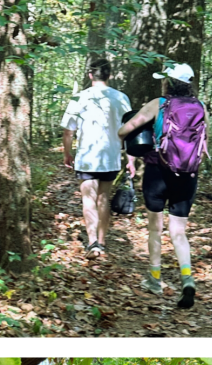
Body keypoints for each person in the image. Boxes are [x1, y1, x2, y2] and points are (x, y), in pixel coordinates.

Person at [118, 63, 207, 309]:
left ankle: (155, 279)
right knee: (179, 232)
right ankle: (187, 278)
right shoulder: (200, 107)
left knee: (155, 230)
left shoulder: (159, 104)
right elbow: (204, 140)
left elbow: (125, 130)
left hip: (157, 173)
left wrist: (126, 136)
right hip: (188, 175)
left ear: (168, 82)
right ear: (190, 84)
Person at [61, 59, 136, 259]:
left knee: (88, 198)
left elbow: (68, 131)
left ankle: (92, 242)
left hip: (86, 156)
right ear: (109, 75)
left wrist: (67, 153)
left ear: (90, 75)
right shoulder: (121, 98)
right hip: (110, 157)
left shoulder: (79, 98)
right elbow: (129, 131)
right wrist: (130, 159)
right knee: (103, 198)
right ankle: (102, 242)